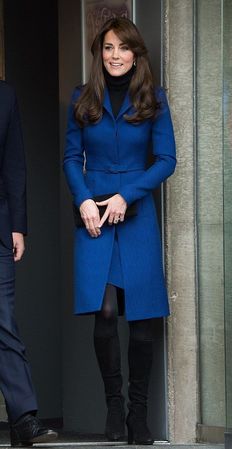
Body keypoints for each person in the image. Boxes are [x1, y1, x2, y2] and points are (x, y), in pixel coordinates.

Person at [64, 17, 176, 445]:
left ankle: (138, 414)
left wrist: (128, 194)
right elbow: (71, 158)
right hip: (93, 213)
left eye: (123, 48)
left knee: (143, 320)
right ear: (100, 53)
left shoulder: (154, 99)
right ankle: (114, 403)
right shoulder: (82, 97)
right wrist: (83, 199)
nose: (115, 56)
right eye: (108, 47)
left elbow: (166, 159)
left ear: (136, 54)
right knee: (106, 311)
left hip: (135, 213)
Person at [0, 80, 58, 446]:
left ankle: (23, 419)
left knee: (3, 319)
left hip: (0, 227)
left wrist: (18, 225)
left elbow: (14, 164)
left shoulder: (5, 95)